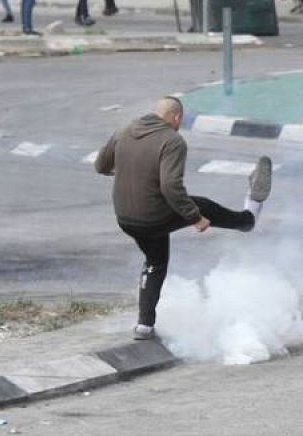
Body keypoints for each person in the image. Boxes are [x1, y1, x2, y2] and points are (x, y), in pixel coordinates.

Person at [94, 97, 273, 340]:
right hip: (153, 215)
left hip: (125, 218)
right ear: (175, 117)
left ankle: (144, 326)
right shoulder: (172, 140)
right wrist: (195, 217)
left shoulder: (125, 129)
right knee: (204, 206)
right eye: (180, 120)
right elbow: (170, 187)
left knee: (155, 262)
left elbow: (101, 165)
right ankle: (248, 218)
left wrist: (127, 171)